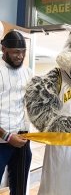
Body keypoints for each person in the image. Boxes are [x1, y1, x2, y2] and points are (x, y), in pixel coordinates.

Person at [0, 30, 32, 195]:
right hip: (1, 141)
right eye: (15, 52)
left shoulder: (27, 72)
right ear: (3, 49)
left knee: (19, 190)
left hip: (21, 142)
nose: (20, 56)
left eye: (23, 52)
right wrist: (7, 136)